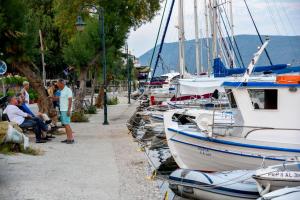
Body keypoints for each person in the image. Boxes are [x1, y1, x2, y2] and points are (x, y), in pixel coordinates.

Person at [54, 79, 74, 144]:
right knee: (65, 125)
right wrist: (52, 98)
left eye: (58, 83)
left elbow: (70, 100)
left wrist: (69, 110)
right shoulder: (61, 91)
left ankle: (71, 139)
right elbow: (59, 98)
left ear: (61, 83)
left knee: (67, 124)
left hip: (66, 110)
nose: (57, 85)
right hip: (62, 109)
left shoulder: (68, 90)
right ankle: (68, 138)